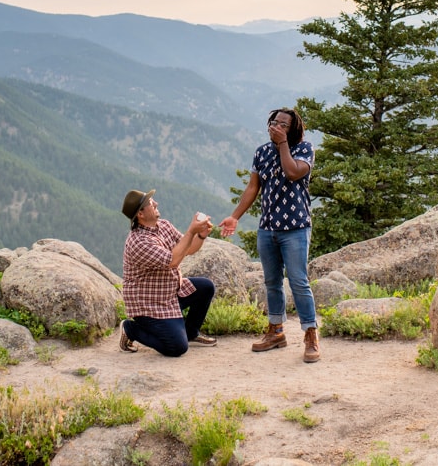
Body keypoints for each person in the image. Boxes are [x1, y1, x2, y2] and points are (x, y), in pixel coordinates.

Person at [218, 108, 320, 363]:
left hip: (296, 227)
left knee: (298, 281)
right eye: (275, 122)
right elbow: (254, 187)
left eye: (284, 124)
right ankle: (276, 330)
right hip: (268, 227)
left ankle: (310, 334)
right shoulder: (261, 152)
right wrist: (235, 216)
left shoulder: (303, 149)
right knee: (271, 281)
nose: (278, 126)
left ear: (293, 129)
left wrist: (283, 144)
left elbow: (293, 172)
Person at [118, 188, 218, 356]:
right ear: (141, 214)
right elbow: (173, 261)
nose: (155, 203)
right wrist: (191, 231)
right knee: (177, 347)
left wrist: (200, 235)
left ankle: (190, 333)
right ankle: (131, 329)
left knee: (206, 287)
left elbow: (188, 249)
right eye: (150, 203)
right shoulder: (138, 242)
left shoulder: (163, 225)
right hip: (149, 305)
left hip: (169, 292)